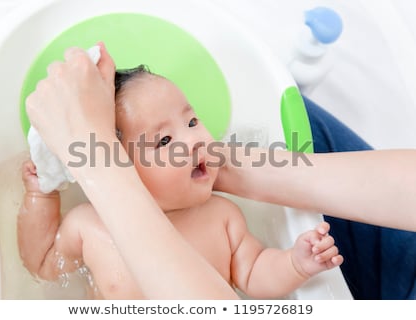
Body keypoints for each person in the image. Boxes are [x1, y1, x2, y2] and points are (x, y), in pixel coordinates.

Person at [25, 43, 416, 299]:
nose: (193, 140)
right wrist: (41, 193)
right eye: (163, 142)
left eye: (192, 122)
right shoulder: (89, 225)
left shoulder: (222, 218)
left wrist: (294, 264)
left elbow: (253, 274)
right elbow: (42, 263)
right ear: (118, 162)